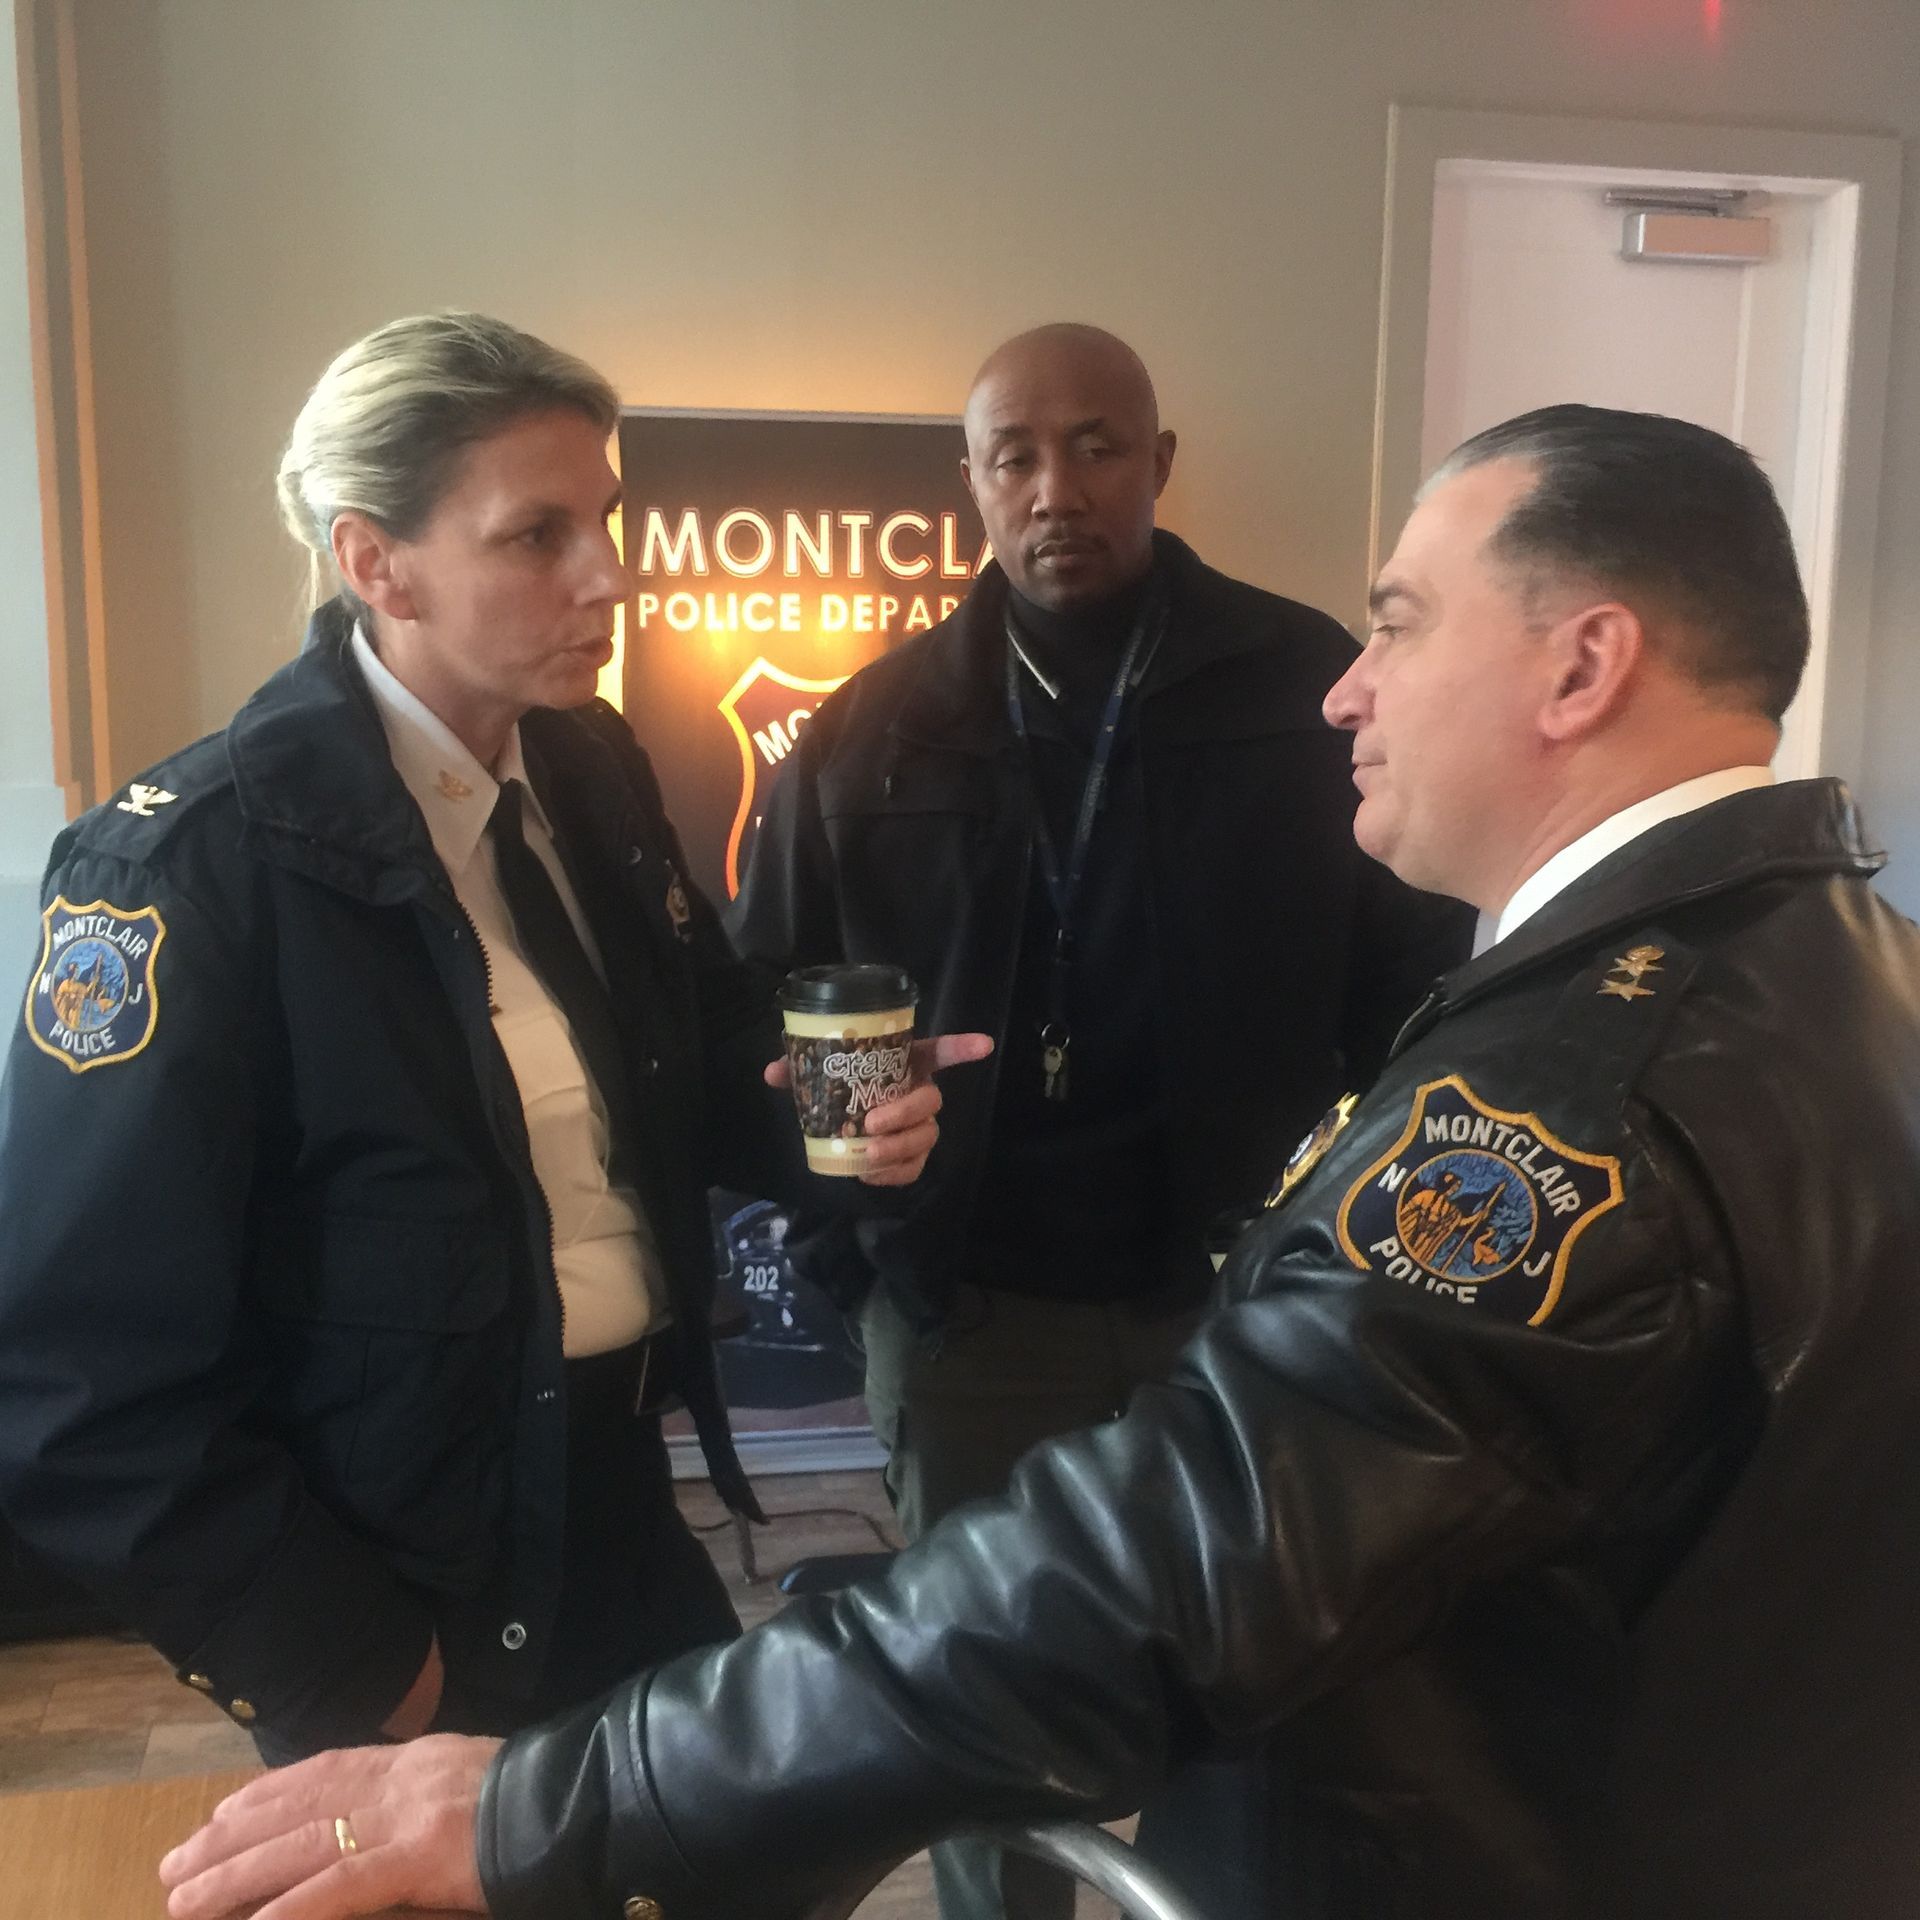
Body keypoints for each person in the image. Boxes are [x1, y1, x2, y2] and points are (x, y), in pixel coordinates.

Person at [161, 404, 1920, 1920]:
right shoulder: (1836, 956)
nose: (1349, 688)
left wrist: (534, 1806)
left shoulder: (1572, 1110)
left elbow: (1145, 1589)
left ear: (1583, 663)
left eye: (1397, 623)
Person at [0, 312, 984, 1767]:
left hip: (620, 1508)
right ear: (373, 561)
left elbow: (705, 1062)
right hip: (395, 1583)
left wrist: (841, 1128)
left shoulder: (586, 766)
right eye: (536, 537)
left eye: (605, 520)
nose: (607, 575)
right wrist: (348, 1670)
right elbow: (72, 1374)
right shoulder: (184, 873)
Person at [729, 322, 1471, 1918]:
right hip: (970, 1314)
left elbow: (1424, 979)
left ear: (1158, 462)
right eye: (1016, 456)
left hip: (1248, 1306)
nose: (1056, 487)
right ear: (975, 484)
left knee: (1253, 1686)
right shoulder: (877, 730)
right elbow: (762, 1012)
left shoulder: (1308, 691)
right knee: (982, 1698)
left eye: (1096, 446)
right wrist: (859, 1248)